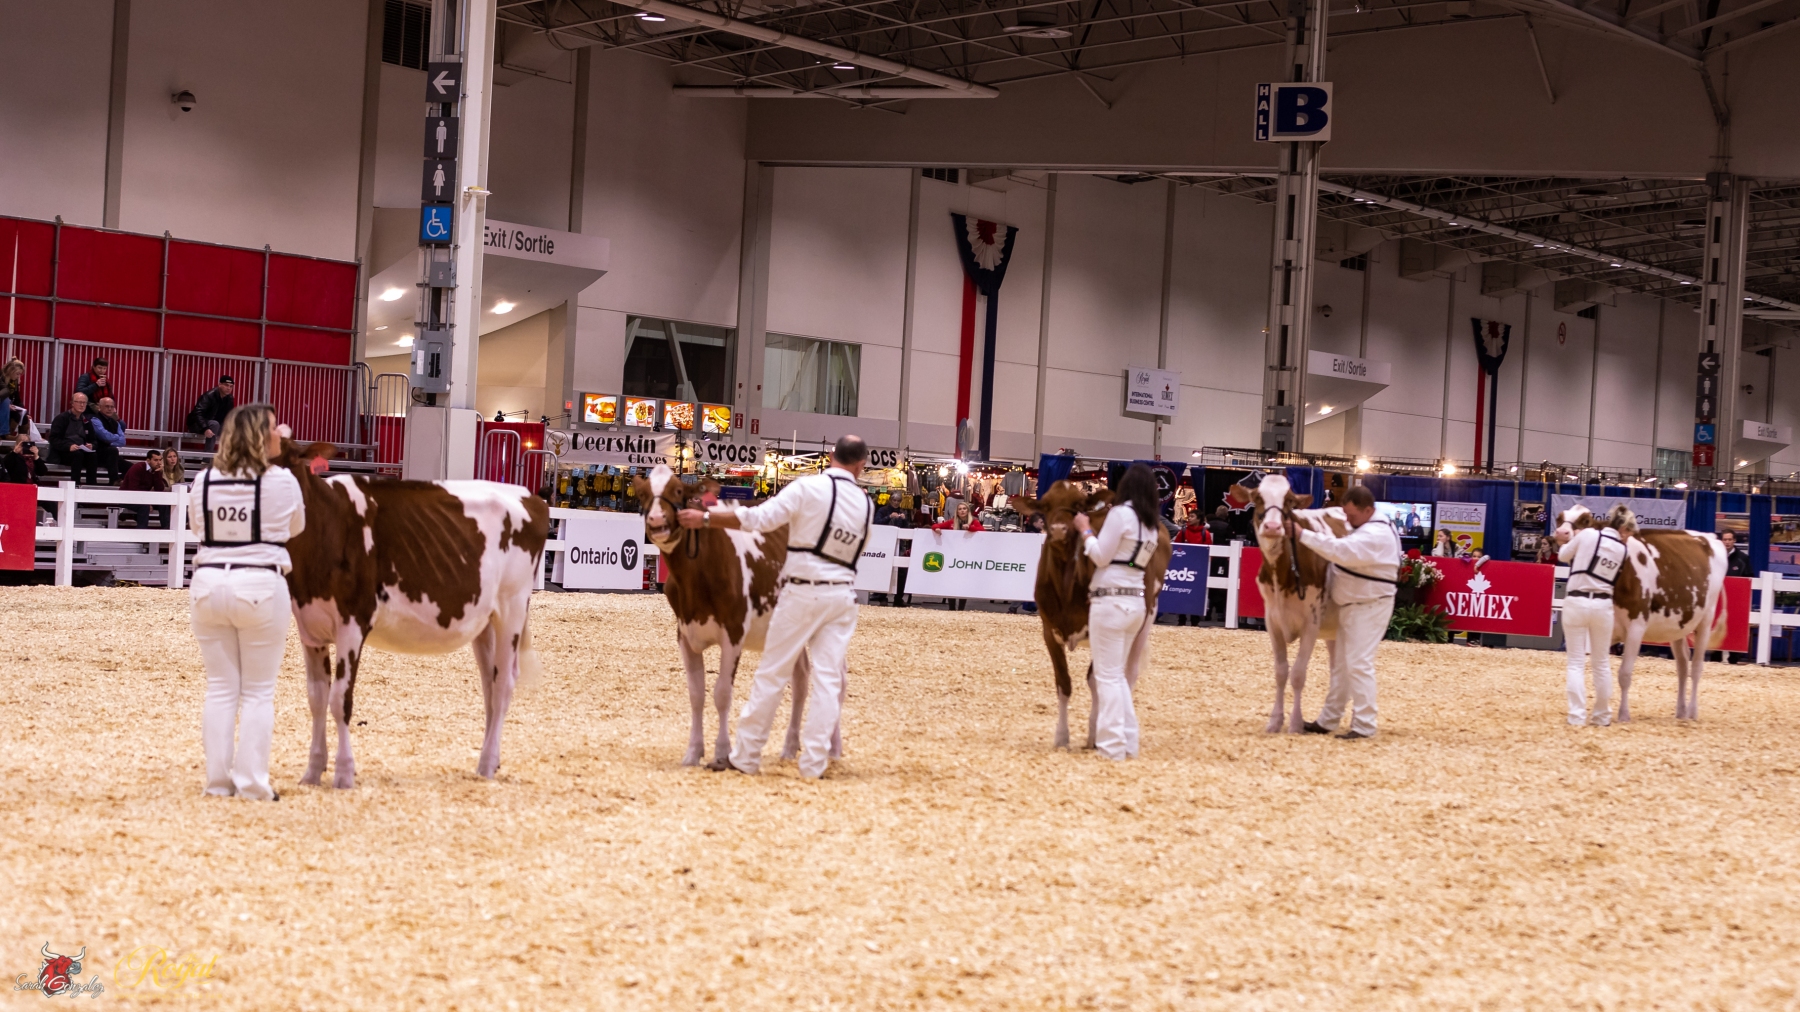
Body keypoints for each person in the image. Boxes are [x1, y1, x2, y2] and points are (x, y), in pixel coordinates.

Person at [679, 435, 874, 780]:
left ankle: (747, 756)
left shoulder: (807, 488)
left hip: (802, 591)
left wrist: (707, 519)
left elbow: (759, 519)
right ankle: (814, 764)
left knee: (772, 673)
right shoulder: (866, 504)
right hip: (843, 596)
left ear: (831, 456)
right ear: (861, 465)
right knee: (829, 679)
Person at [187, 404, 305, 801]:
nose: (280, 432)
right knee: (257, 691)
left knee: (221, 688)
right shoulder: (282, 480)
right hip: (259, 583)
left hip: (208, 583)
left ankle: (217, 783)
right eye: (273, 427)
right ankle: (252, 784)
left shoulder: (203, 479)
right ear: (258, 436)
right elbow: (297, 527)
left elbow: (198, 527)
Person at [1070, 462, 1161, 760]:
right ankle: (1128, 743)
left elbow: (1100, 556)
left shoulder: (1120, 514)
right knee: (1117, 676)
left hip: (1110, 601)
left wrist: (1085, 530)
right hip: (1136, 603)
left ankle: (1111, 748)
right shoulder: (1152, 525)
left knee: (1107, 677)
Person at [1299, 485, 1401, 740]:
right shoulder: (1367, 525)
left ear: (1368, 510)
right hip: (1354, 605)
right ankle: (1328, 720)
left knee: (1358, 664)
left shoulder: (1376, 533)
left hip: (1369, 606)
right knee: (1342, 666)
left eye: (1352, 515)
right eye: (1345, 514)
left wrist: (1302, 534)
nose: (1348, 520)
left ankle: (1365, 725)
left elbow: (1341, 551)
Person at [1553, 513, 1627, 726]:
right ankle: (1602, 716)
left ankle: (1576, 716)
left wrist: (1570, 539)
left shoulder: (1587, 535)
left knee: (1576, 663)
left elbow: (1563, 556)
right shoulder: (1622, 549)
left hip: (1577, 601)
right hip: (1603, 605)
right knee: (1601, 663)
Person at [932, 501, 984, 610]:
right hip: (953, 555)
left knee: (963, 582)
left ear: (968, 510)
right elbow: (936, 525)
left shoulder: (974, 521)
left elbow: (983, 531)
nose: (962, 511)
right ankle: (951, 608)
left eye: (964, 508)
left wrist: (970, 528)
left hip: (967, 556)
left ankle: (961, 609)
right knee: (951, 581)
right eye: (960, 509)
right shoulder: (952, 522)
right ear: (957, 511)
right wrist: (936, 528)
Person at [48, 391, 100, 484]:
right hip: (64, 452)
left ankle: (91, 485)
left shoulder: (86, 421)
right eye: (79, 402)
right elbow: (54, 439)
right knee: (77, 455)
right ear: (72, 403)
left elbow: (94, 440)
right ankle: (76, 484)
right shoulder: (61, 418)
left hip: (82, 451)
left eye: (84, 403)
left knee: (92, 456)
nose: (82, 405)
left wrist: (92, 445)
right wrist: (68, 446)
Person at [1721, 530, 1752, 663]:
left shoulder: (1742, 558)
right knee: (1717, 625)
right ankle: (1715, 657)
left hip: (1736, 601)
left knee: (1734, 627)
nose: (1727, 542)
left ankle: (1734, 658)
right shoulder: (1715, 556)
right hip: (1718, 599)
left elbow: (1749, 577)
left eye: (1729, 539)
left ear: (1734, 540)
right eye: (1725, 539)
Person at [121, 448, 170, 530]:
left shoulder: (155, 470)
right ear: (148, 460)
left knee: (163, 504)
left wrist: (158, 473)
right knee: (144, 507)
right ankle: (142, 532)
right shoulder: (137, 468)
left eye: (160, 460)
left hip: (144, 498)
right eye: (156, 460)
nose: (159, 463)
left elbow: (159, 490)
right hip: (127, 498)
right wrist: (146, 501)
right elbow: (133, 490)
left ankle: (167, 530)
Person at [186, 375, 236, 450]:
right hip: (198, 425)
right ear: (219, 385)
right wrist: (205, 428)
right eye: (226, 385)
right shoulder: (209, 396)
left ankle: (229, 455)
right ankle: (207, 456)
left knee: (234, 426)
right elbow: (198, 413)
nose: (228, 388)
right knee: (214, 424)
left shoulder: (229, 398)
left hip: (215, 426)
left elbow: (229, 416)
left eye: (231, 386)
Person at [87, 395, 127, 484]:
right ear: (99, 407)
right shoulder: (95, 420)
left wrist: (109, 442)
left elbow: (122, 441)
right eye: (107, 406)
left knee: (132, 468)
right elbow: (104, 436)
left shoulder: (116, 423)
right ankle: (114, 480)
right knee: (113, 450)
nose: (109, 409)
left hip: (111, 455)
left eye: (112, 407)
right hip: (97, 454)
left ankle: (119, 482)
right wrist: (116, 437)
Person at [1, 357, 26, 436]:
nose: (18, 376)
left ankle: (23, 438)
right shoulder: (1, 379)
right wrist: (7, 405)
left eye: (20, 374)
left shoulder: (14, 381)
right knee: (7, 404)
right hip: (2, 404)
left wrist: (24, 411)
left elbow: (17, 399)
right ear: (11, 371)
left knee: (24, 416)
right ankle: (4, 435)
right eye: (17, 374)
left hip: (9, 405)